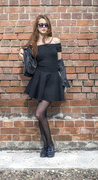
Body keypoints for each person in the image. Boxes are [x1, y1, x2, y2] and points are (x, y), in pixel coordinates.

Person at [19, 14, 67, 158]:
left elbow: (60, 63)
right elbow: (30, 65)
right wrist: (23, 55)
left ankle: (51, 145)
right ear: (37, 27)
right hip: (39, 79)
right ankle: (45, 146)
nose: (44, 27)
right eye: (41, 25)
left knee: (39, 113)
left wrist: (64, 81)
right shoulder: (33, 44)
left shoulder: (56, 41)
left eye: (46, 24)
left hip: (52, 79)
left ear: (49, 26)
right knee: (42, 115)